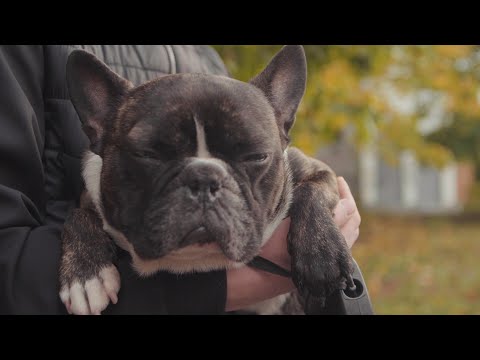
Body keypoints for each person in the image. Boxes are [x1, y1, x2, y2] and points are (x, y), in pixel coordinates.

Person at [0, 45, 361, 315]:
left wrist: (316, 219)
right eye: (151, 155)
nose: (205, 192)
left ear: (283, 122)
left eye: (252, 158)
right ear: (96, 127)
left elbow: (317, 176)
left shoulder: (206, 57)